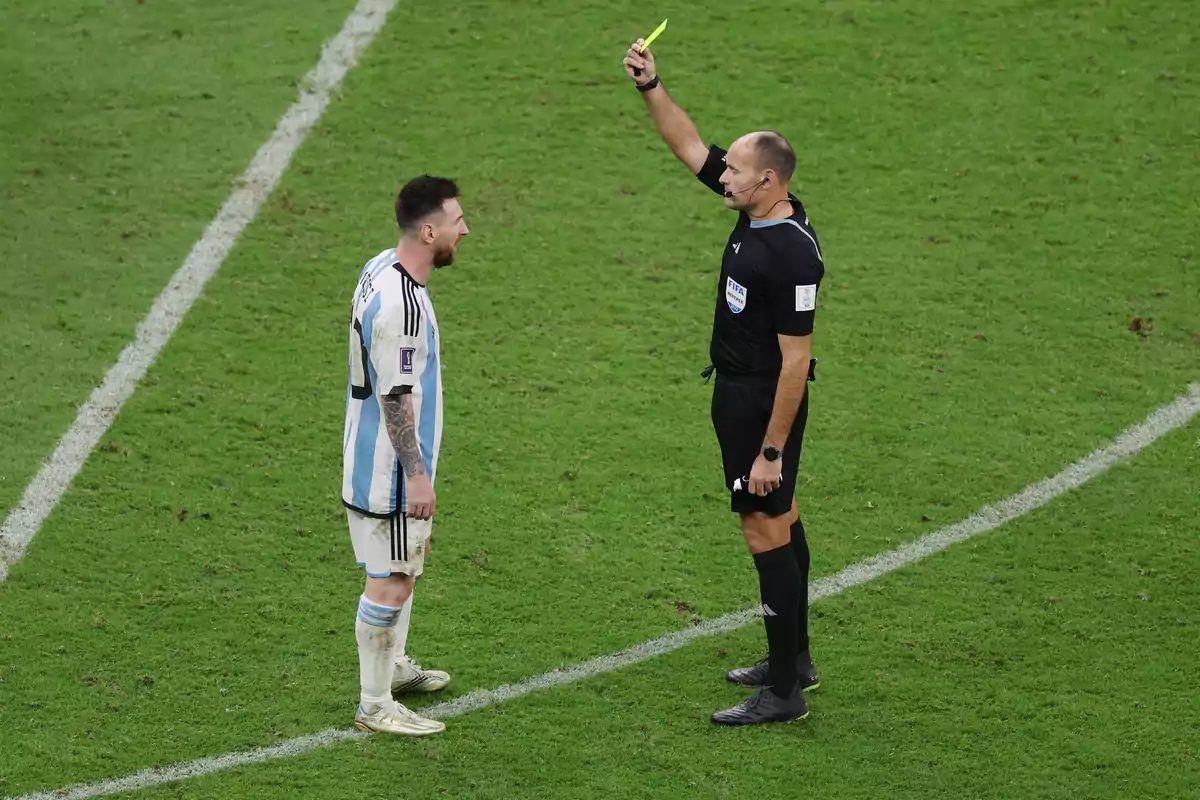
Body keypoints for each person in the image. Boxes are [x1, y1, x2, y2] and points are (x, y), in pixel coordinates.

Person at [623, 40, 825, 726]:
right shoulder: (755, 209)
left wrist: (770, 451)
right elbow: (687, 146)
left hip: (762, 399)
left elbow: (797, 360)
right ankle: (793, 660)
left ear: (768, 181)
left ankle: (785, 695)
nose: (722, 175)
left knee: (764, 528)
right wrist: (652, 85)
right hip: (737, 388)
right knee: (782, 520)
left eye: (736, 169)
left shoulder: (791, 255)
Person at [341, 175, 469, 735]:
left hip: (363, 454)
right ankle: (374, 703)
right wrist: (416, 477)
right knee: (391, 577)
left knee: (402, 571)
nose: (465, 229)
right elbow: (395, 396)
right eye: (458, 220)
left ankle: (391, 666)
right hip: (390, 472)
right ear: (429, 229)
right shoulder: (405, 305)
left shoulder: (379, 268)